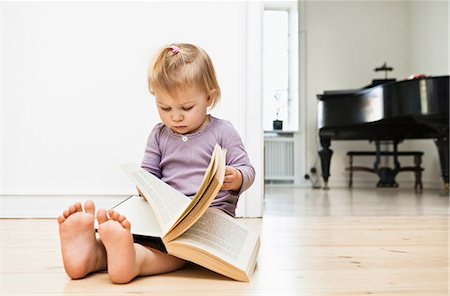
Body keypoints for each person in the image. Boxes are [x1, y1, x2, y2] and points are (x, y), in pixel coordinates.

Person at [57, 43, 255, 284]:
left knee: (180, 252)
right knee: (153, 237)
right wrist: (146, 188)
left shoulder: (223, 131)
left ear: (209, 98)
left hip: (209, 220)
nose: (176, 116)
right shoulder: (159, 135)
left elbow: (248, 170)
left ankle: (130, 260)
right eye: (165, 108)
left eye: (186, 107)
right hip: (167, 219)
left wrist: (237, 177)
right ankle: (92, 254)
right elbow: (148, 174)